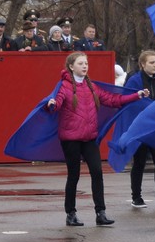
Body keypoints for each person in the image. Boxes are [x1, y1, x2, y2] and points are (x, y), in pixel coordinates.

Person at [48, 51, 148, 227]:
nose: (85, 66)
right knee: (74, 175)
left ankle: (100, 213)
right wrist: (52, 104)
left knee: (97, 172)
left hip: (89, 138)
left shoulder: (91, 87)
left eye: (86, 63)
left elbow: (113, 99)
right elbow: (56, 102)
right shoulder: (63, 86)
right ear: (71, 67)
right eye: (80, 63)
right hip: (70, 139)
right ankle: (70, 213)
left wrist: (137, 95)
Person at [124, 50, 155, 208]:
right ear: (143, 64)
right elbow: (129, 101)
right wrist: (151, 108)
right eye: (152, 62)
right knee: (139, 163)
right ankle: (136, 197)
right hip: (141, 130)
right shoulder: (134, 81)